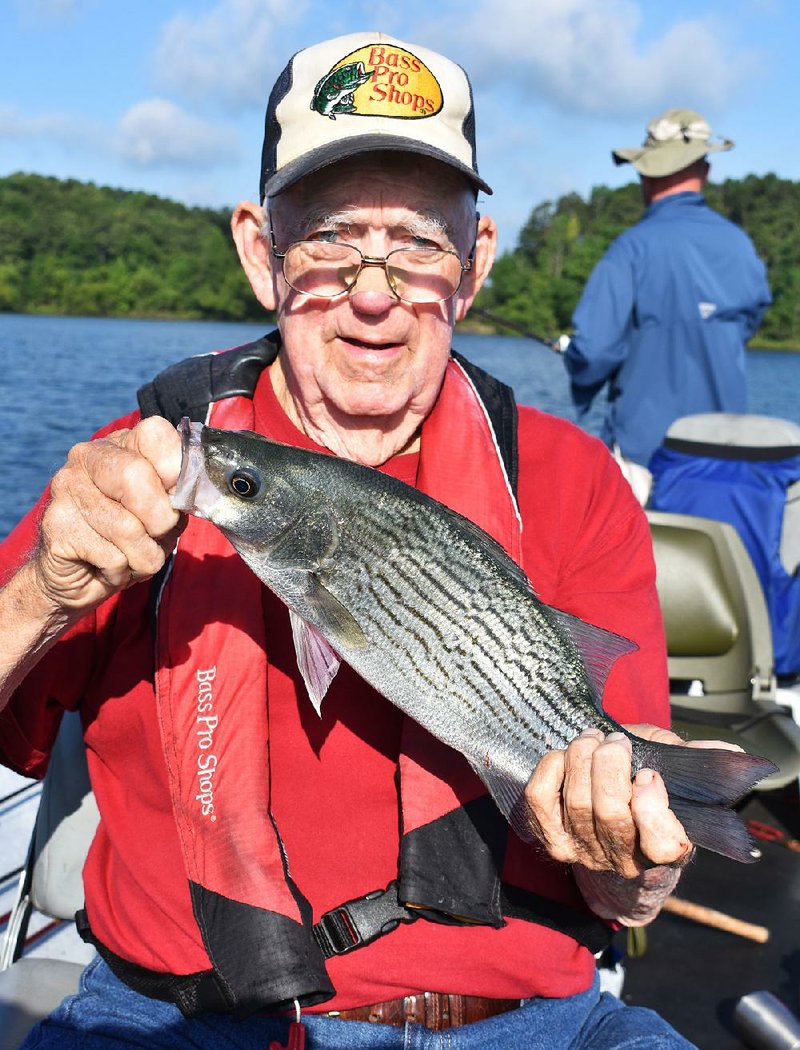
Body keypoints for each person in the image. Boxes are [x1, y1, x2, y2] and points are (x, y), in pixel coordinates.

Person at [0, 34, 733, 1049]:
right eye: (334, 240)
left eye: (420, 244)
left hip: (529, 1023)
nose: (374, 294)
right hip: (179, 1017)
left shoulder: (574, 480)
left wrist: (636, 862)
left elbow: (623, 900)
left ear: (473, 265)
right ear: (261, 251)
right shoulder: (134, 475)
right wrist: (44, 586)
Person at [556, 108, 772, 504]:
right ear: (704, 170)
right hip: (725, 456)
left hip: (647, 458)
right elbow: (746, 323)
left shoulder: (631, 249)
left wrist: (574, 356)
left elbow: (596, 351)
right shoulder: (741, 247)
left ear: (646, 173)